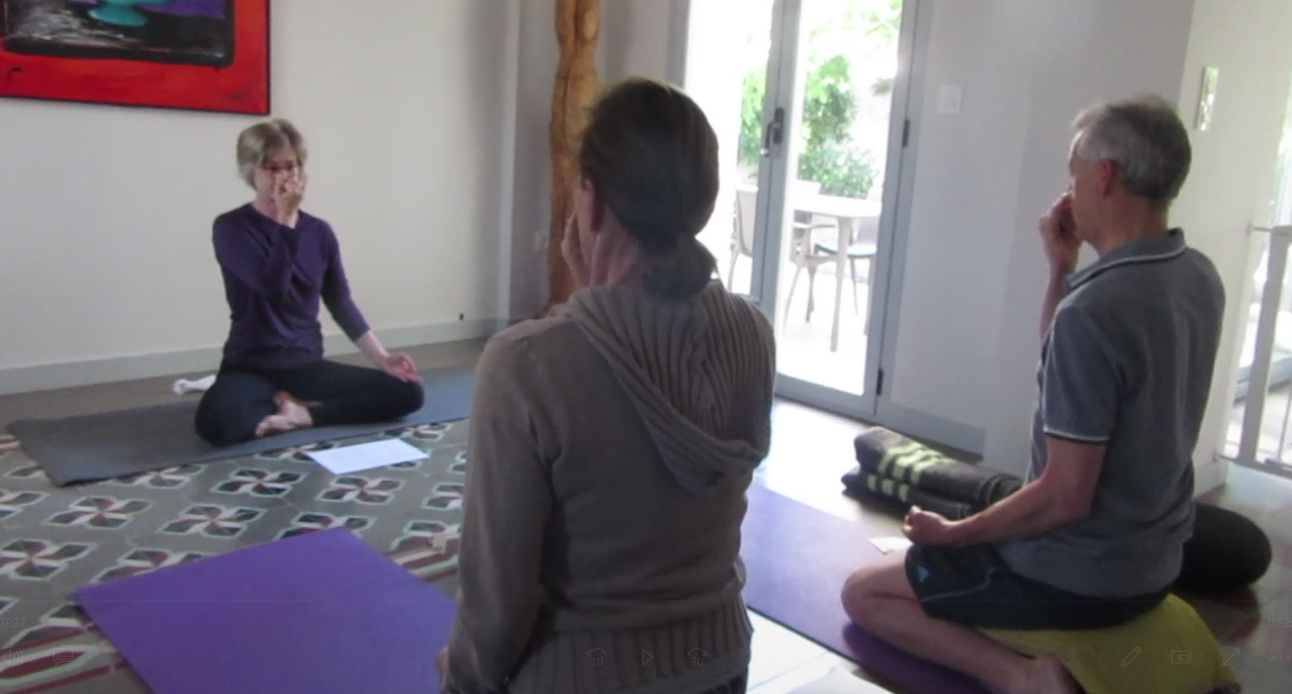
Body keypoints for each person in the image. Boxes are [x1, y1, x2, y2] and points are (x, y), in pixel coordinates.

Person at [839, 94, 1226, 694]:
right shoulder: (1198, 277)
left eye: (1074, 174)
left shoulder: (1096, 312)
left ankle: (1023, 677)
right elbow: (1067, 368)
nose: (1068, 193)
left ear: (1106, 175)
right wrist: (1059, 268)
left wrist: (955, 534)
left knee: (864, 592)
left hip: (1074, 574)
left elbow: (1067, 496)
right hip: (1155, 564)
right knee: (991, 495)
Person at [435, 77, 776, 694]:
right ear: (699, 204)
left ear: (588, 201)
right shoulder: (754, 332)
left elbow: (499, 597)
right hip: (723, 662)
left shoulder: (525, 363)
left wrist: (461, 683)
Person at [194, 119, 424, 447]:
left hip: (305, 364)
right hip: (250, 364)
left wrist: (382, 358)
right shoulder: (231, 228)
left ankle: (303, 414)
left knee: (408, 392)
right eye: (271, 168)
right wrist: (286, 221)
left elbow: (340, 300)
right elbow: (272, 286)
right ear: (251, 172)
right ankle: (279, 399)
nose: (282, 177)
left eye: (290, 167)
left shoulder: (319, 233)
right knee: (215, 424)